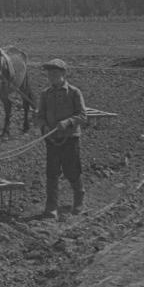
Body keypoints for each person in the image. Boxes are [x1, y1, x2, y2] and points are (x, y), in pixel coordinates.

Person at [35, 59, 87, 218]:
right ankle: (51, 206)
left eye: (55, 73)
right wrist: (43, 126)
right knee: (52, 172)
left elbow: (82, 115)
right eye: (50, 74)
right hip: (51, 140)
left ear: (63, 74)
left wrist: (67, 122)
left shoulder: (74, 92)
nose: (52, 76)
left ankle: (78, 199)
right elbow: (39, 116)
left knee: (72, 170)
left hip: (70, 138)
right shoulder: (45, 94)